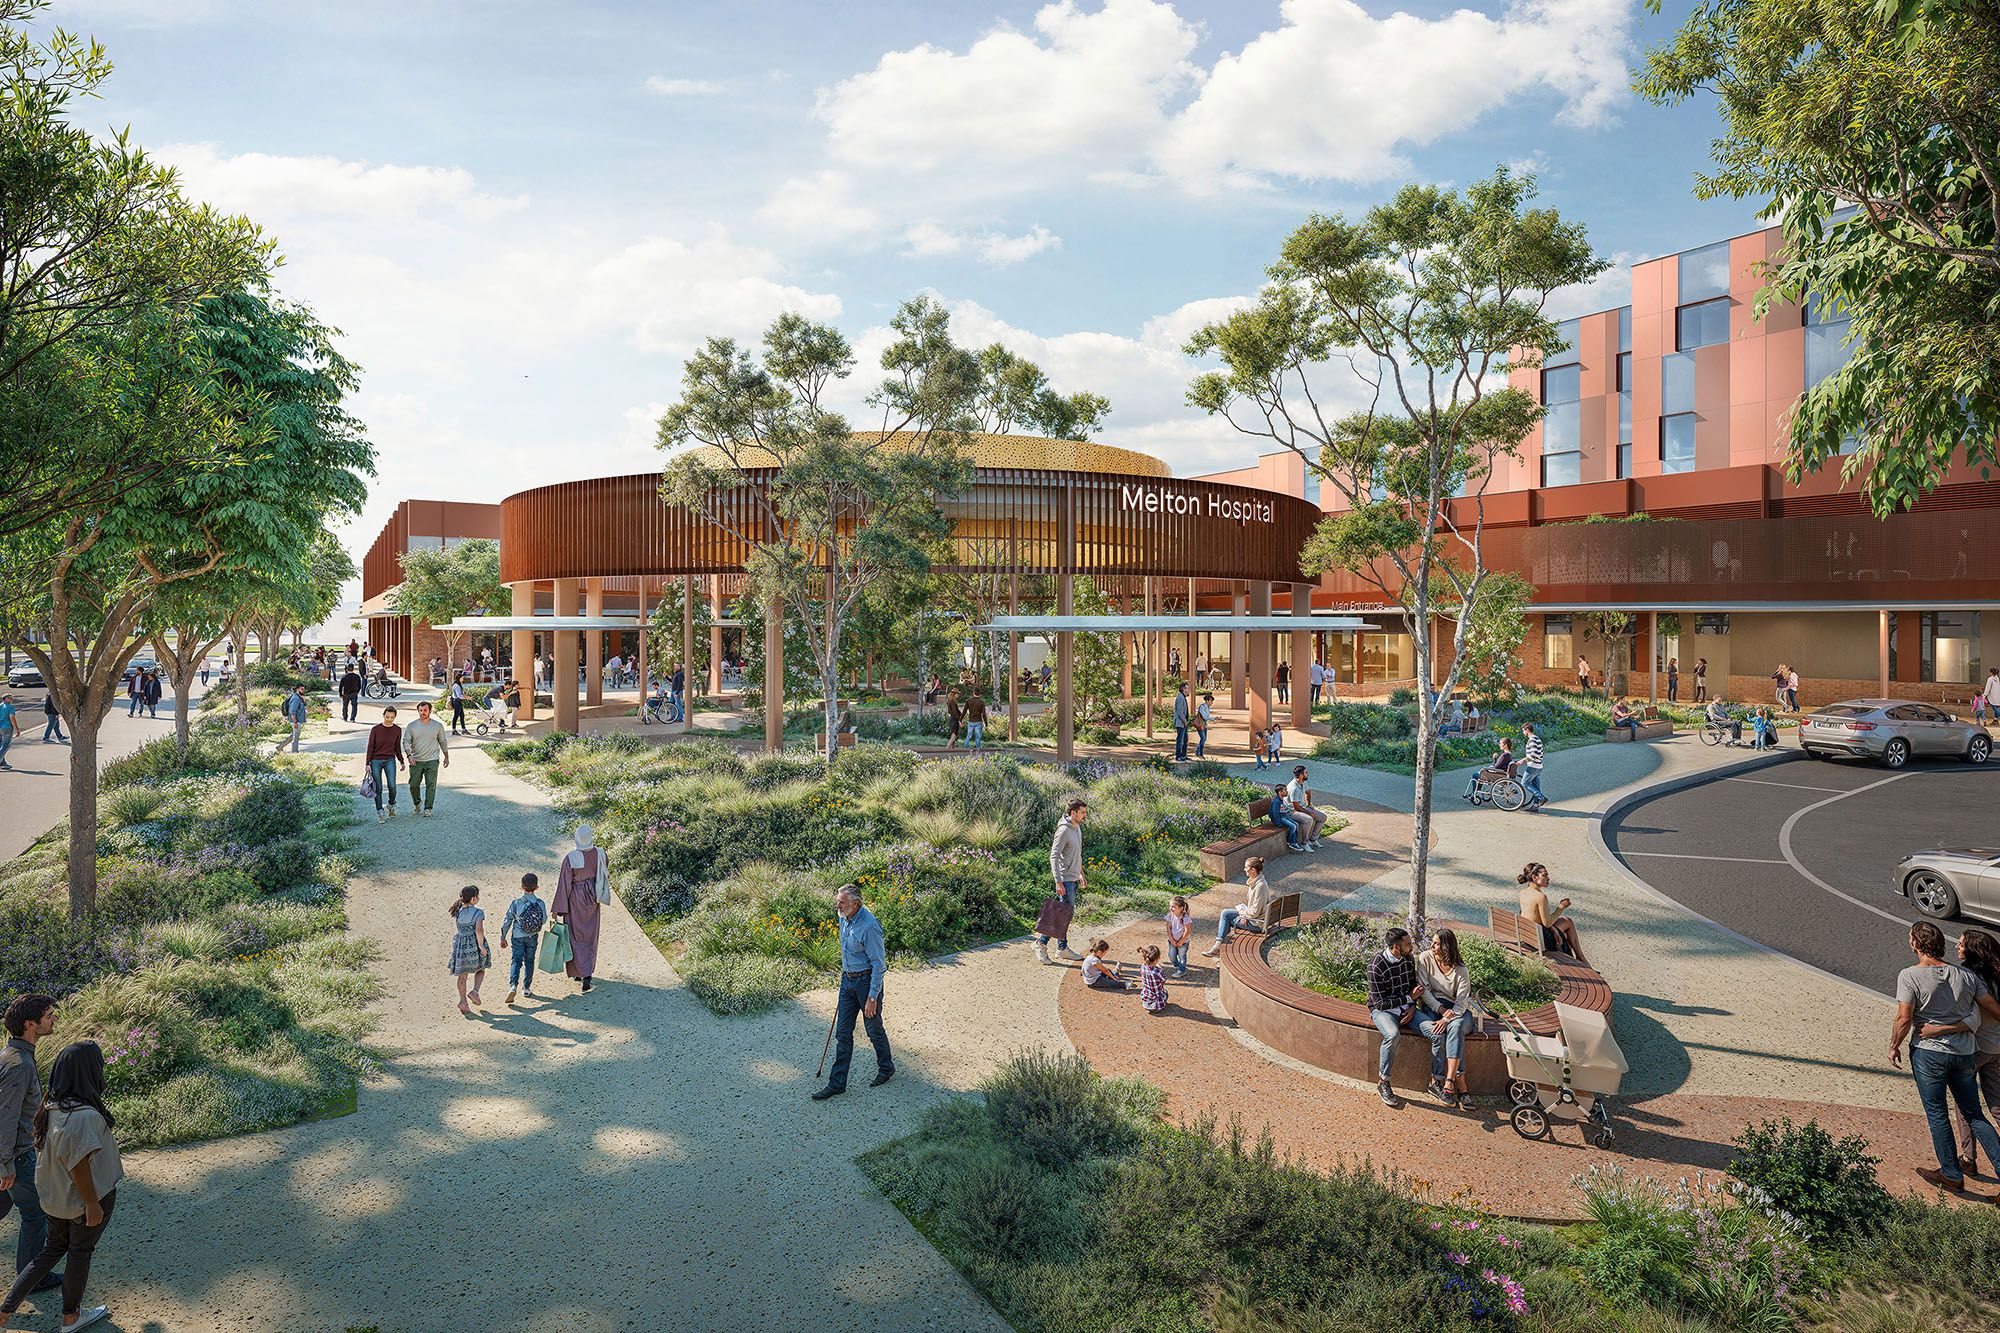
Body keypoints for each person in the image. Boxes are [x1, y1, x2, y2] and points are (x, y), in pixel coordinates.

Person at [0, 1041, 121, 1333]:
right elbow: (79, 1165)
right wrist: (92, 1204)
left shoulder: (50, 1107)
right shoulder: (85, 1116)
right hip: (83, 1201)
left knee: (50, 1251)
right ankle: (71, 1317)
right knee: (80, 1252)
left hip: (55, 1201)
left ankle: (5, 1311)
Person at [1891, 921, 2000, 1191]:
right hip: (1965, 1053)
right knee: (1975, 1114)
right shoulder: (1967, 976)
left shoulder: (1909, 975)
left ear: (1915, 944)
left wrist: (1894, 1045)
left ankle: (1951, 1174)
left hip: (1929, 1053)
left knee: (1937, 1113)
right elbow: (1991, 1009)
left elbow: (1904, 1017)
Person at [1, 995, 60, 1300]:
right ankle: (32, 1279)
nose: (54, 1019)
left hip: (12, 1153)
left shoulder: (14, 1055)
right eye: (48, 1015)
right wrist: (5, 1164)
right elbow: (6, 1116)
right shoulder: (19, 1064)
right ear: (30, 1024)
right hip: (17, 1155)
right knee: (35, 1214)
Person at [812, 884, 893, 1100]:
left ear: (855, 904)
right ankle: (837, 1083)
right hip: (847, 981)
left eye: (842, 902)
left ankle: (886, 1068)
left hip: (867, 984)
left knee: (873, 1030)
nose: (837, 905)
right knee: (842, 1034)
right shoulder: (843, 917)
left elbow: (879, 965)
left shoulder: (869, 927)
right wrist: (845, 978)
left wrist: (872, 996)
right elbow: (846, 951)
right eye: (838, 901)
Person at [1945, 929, 2000, 1175]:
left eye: (1961, 944)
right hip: (1997, 1048)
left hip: (1976, 1048)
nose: (1956, 947)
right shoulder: (1997, 974)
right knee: (1997, 1104)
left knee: (1965, 1103)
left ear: (1973, 950)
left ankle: (1969, 1158)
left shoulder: (1969, 977)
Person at [1416, 928, 1476, 1108]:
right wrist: (1440, 1010)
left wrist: (1447, 1018)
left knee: (1455, 1028)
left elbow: (1462, 1002)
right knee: (1443, 1032)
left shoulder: (1461, 970)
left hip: (1457, 1011)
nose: (1431, 946)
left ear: (1446, 947)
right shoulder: (1425, 958)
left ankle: (1447, 1082)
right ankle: (1461, 1088)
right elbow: (1424, 991)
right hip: (1433, 1006)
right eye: (1432, 942)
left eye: (1436, 943)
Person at [1366, 927, 1419, 1107]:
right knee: (1392, 1035)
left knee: (1435, 1032)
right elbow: (1380, 1003)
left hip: (1407, 1009)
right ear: (1396, 947)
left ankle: (1437, 1082)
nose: (1411, 947)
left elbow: (1413, 987)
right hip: (1382, 1012)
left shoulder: (1408, 958)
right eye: (1408, 944)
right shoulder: (1376, 965)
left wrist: (1412, 1006)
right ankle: (1383, 1082)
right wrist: (1408, 999)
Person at [551, 825, 609, 992]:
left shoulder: (571, 858)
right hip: (592, 897)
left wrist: (558, 908)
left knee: (574, 935)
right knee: (590, 935)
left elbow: (564, 885)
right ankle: (587, 974)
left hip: (575, 899)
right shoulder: (601, 853)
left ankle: (578, 971)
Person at [1036, 798, 1088, 965]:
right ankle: (1041, 943)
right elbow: (1054, 856)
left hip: (1073, 877)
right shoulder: (1064, 830)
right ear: (1073, 813)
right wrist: (1058, 881)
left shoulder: (1077, 827)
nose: (1085, 815)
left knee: (1065, 914)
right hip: (1065, 879)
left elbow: (1077, 854)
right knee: (1062, 915)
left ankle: (1062, 948)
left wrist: (1080, 873)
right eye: (1082, 812)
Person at [1202, 856, 1275, 956]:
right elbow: (1255, 908)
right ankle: (1219, 946)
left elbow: (1255, 912)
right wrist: (1245, 914)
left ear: (1253, 870)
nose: (1244, 869)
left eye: (1246, 867)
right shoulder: (1256, 881)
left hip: (1257, 923)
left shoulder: (1260, 886)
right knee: (1225, 913)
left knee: (1227, 919)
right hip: (1254, 917)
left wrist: (1244, 915)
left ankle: (1219, 948)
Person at [1517, 862, 1586, 963]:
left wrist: (1554, 929)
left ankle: (1578, 958)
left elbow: (1533, 915)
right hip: (1541, 938)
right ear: (1534, 877)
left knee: (1566, 927)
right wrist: (1561, 907)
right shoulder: (1541, 897)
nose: (1548, 879)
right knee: (1568, 923)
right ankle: (1580, 958)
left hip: (1528, 933)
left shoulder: (1523, 892)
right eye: (1544, 875)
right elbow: (1547, 923)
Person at [499, 874, 547, 1006]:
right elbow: (543, 920)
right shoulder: (540, 903)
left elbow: (507, 921)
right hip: (533, 936)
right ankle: (526, 988)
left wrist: (503, 937)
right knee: (529, 961)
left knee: (516, 960)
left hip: (517, 936)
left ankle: (513, 986)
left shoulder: (516, 903)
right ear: (537, 888)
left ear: (522, 887)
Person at [446, 885, 489, 1017]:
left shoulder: (458, 910)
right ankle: (475, 991)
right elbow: (479, 931)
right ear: (474, 898)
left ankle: (463, 1002)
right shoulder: (478, 913)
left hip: (460, 945)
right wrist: (481, 946)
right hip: (473, 944)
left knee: (462, 974)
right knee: (481, 968)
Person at [401, 701, 449, 817]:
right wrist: (409, 755)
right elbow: (406, 741)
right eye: (421, 710)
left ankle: (428, 808)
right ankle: (417, 803)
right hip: (416, 760)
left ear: (430, 711)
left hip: (432, 759)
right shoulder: (412, 726)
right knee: (413, 785)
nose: (423, 713)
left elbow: (443, 741)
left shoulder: (437, 726)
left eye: (425, 710)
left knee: (431, 784)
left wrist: (446, 756)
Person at [365, 706, 403, 822]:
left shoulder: (397, 730)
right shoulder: (376, 729)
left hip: (390, 760)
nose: (389, 719)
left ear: (395, 717)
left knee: (392, 786)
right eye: (387, 717)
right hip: (375, 760)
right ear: (383, 715)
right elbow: (370, 746)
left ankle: (391, 804)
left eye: (392, 717)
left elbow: (397, 747)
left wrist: (401, 760)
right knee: (378, 787)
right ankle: (380, 812)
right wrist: (367, 763)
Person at [1285, 765, 1329, 851]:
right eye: (1306, 772)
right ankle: (1304, 843)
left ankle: (1313, 839)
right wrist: (1309, 813)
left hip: (1302, 807)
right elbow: (1296, 807)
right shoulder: (1294, 788)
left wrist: (1308, 804)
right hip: (1291, 812)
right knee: (1309, 819)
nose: (1307, 774)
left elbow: (1308, 792)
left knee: (1323, 817)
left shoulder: (1303, 783)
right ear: (1301, 775)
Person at [1268, 782, 1306, 851]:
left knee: (1296, 824)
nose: (1287, 791)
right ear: (1280, 792)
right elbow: (1275, 813)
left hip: (1284, 816)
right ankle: (1291, 842)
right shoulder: (1276, 801)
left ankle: (1294, 841)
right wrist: (1278, 823)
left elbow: (1282, 809)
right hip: (1280, 819)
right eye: (1285, 790)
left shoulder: (1281, 799)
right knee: (1293, 826)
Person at [1517, 722, 1547, 810]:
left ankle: (1541, 797)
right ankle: (1535, 806)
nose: (1523, 732)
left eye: (1523, 730)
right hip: (1539, 765)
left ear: (1527, 730)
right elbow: (1542, 753)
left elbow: (1533, 754)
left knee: (1524, 783)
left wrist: (1522, 760)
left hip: (1533, 766)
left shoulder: (1532, 740)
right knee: (1536, 786)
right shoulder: (1537, 738)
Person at [1164, 896, 1193, 978]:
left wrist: (1181, 941)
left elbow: (1187, 931)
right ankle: (1177, 966)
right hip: (1172, 941)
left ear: (1181, 908)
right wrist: (1171, 939)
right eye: (1170, 906)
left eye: (1173, 907)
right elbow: (1168, 928)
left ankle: (1181, 970)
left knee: (1182, 956)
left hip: (1183, 942)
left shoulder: (1185, 918)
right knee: (1171, 956)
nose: (1171, 908)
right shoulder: (1170, 916)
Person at [1137, 945, 1168, 1014]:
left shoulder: (1143, 966)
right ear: (1157, 959)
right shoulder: (1157, 971)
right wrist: (1160, 968)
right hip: (1156, 1002)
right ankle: (1156, 1008)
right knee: (1165, 992)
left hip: (1146, 996)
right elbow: (1164, 979)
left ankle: (1148, 1006)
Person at [282, 683, 309, 753]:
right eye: (301, 689)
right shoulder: (296, 698)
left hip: (298, 720)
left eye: (304, 689)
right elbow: (292, 711)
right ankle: (294, 751)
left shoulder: (298, 697)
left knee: (294, 735)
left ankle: (280, 747)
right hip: (296, 720)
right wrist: (295, 722)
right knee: (296, 736)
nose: (303, 690)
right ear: (297, 689)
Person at [1171, 683, 1190, 763]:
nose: (1188, 690)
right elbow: (1180, 712)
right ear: (1183, 689)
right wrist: (1185, 721)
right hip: (1180, 723)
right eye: (1187, 688)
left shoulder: (1183, 697)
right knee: (1180, 740)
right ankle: (1178, 756)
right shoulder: (1180, 698)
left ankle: (1183, 756)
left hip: (1183, 723)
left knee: (1185, 740)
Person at [1195, 693, 1214, 758]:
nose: (1212, 702)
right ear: (1206, 701)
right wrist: (1213, 718)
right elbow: (1205, 717)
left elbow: (1206, 717)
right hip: (1200, 724)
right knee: (1203, 738)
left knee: (1204, 739)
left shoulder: (1208, 708)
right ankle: (1200, 753)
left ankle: (1198, 752)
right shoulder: (1202, 707)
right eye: (1211, 701)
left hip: (1204, 725)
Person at [944, 686, 963, 750]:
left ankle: (953, 750)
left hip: (952, 719)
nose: (958, 695)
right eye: (958, 694)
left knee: (953, 735)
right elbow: (955, 713)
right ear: (954, 694)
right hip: (954, 720)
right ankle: (947, 749)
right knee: (953, 736)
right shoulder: (953, 702)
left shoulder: (950, 701)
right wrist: (959, 721)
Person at [0, 696, 13, 772]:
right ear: (5, 699)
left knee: (1, 745)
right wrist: (16, 728)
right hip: (7, 727)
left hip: (1, 727)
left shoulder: (0, 706)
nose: (11, 699)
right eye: (9, 698)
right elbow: (12, 718)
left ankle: (3, 762)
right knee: (5, 745)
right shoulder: (10, 707)